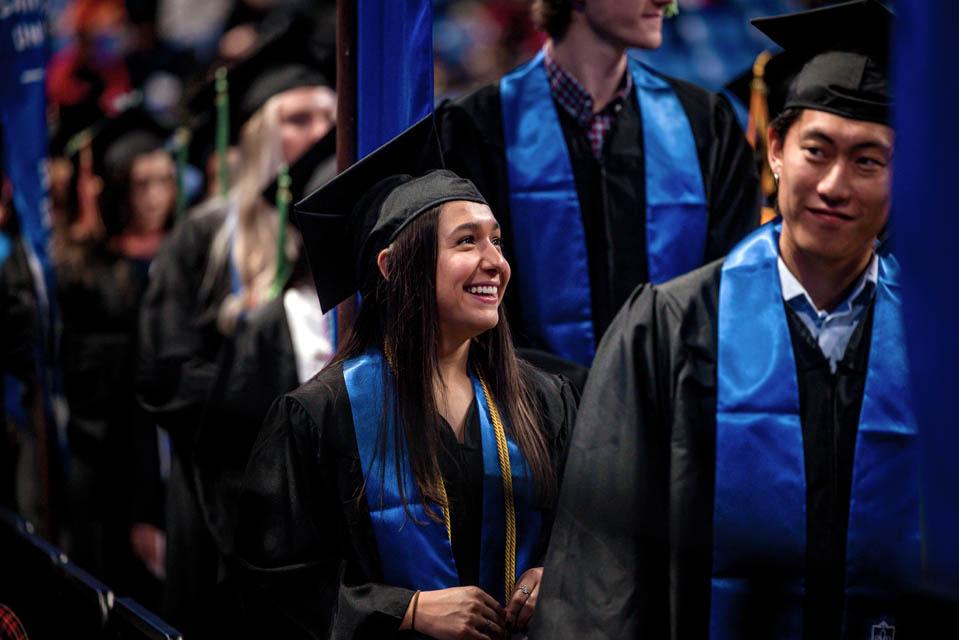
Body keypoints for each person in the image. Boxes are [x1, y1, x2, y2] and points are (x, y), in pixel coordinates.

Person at [534, 2, 919, 638]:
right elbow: (600, 571)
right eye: (816, 151)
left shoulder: (935, 343)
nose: (834, 184)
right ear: (774, 150)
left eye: (868, 161)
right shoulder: (671, 328)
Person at [235, 118, 577, 639]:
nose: (495, 262)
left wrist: (555, 573)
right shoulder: (322, 416)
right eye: (467, 242)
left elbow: (591, 532)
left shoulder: (542, 400)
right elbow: (274, 586)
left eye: (497, 240)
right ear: (394, 267)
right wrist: (405, 609)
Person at [135, 15, 336, 636]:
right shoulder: (204, 238)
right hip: (225, 493)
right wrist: (269, 388)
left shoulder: (344, 235)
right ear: (255, 134)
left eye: (328, 117)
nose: (319, 132)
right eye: (296, 118)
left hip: (326, 492)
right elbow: (163, 375)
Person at [437, 0, 760, 376]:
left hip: (670, 411)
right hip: (526, 415)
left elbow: (730, 292)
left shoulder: (705, 125)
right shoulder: (475, 128)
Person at [54, 105, 174, 609]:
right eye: (140, 183)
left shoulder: (184, 257)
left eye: (163, 181)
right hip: (114, 474)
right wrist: (138, 506)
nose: (153, 196)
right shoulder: (88, 275)